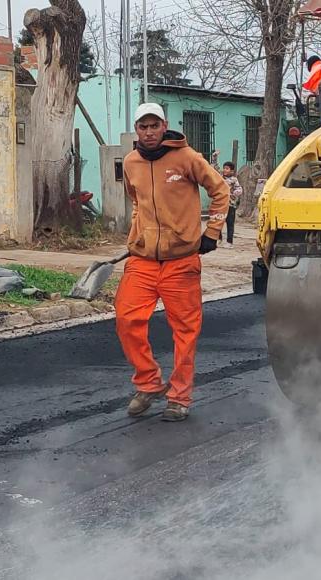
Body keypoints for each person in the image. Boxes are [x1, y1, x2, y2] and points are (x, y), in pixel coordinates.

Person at [116, 103, 231, 422]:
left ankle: (179, 397)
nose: (149, 132)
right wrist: (136, 233)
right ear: (136, 130)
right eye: (143, 127)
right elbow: (137, 201)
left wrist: (212, 232)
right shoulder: (131, 162)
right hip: (143, 260)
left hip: (181, 260)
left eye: (155, 126)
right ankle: (149, 382)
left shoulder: (187, 158)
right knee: (127, 319)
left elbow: (220, 191)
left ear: (164, 126)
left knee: (185, 331)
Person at [211, 150, 243, 248]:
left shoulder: (234, 179)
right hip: (220, 203)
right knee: (217, 221)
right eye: (224, 168)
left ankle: (229, 242)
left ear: (232, 171)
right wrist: (214, 157)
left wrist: (233, 194)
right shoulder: (220, 176)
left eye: (227, 168)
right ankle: (219, 239)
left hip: (230, 205)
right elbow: (215, 167)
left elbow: (240, 189)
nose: (225, 170)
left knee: (230, 223)